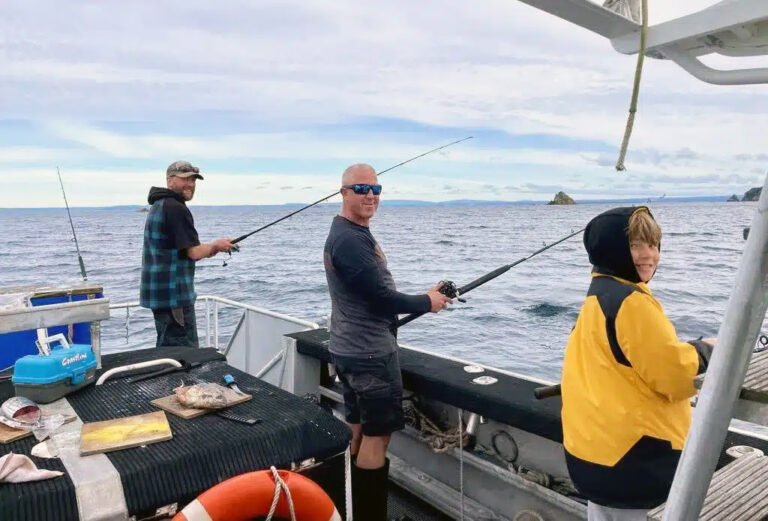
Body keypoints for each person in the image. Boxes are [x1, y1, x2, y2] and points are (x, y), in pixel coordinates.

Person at [561, 206, 715, 521]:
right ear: (612, 248)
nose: (650, 255)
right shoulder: (633, 303)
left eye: (654, 244)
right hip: (635, 462)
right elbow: (674, 378)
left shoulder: (598, 295)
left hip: (593, 456)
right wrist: (706, 351)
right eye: (635, 245)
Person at [323, 163, 452, 520]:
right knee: (377, 437)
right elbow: (381, 297)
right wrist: (428, 302)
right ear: (343, 192)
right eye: (361, 189)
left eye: (376, 190)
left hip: (349, 348)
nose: (370, 196)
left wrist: (426, 296)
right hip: (368, 355)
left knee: (358, 429)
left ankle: (347, 506)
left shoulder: (349, 233)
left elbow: (370, 294)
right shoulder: (350, 240)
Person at [140, 160, 236, 348]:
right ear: (170, 181)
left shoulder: (159, 204)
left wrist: (214, 246)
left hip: (161, 297)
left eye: (193, 180)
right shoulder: (175, 208)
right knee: (184, 355)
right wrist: (217, 245)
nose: (190, 184)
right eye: (185, 179)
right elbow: (193, 253)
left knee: (167, 350)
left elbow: (179, 251)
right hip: (174, 298)